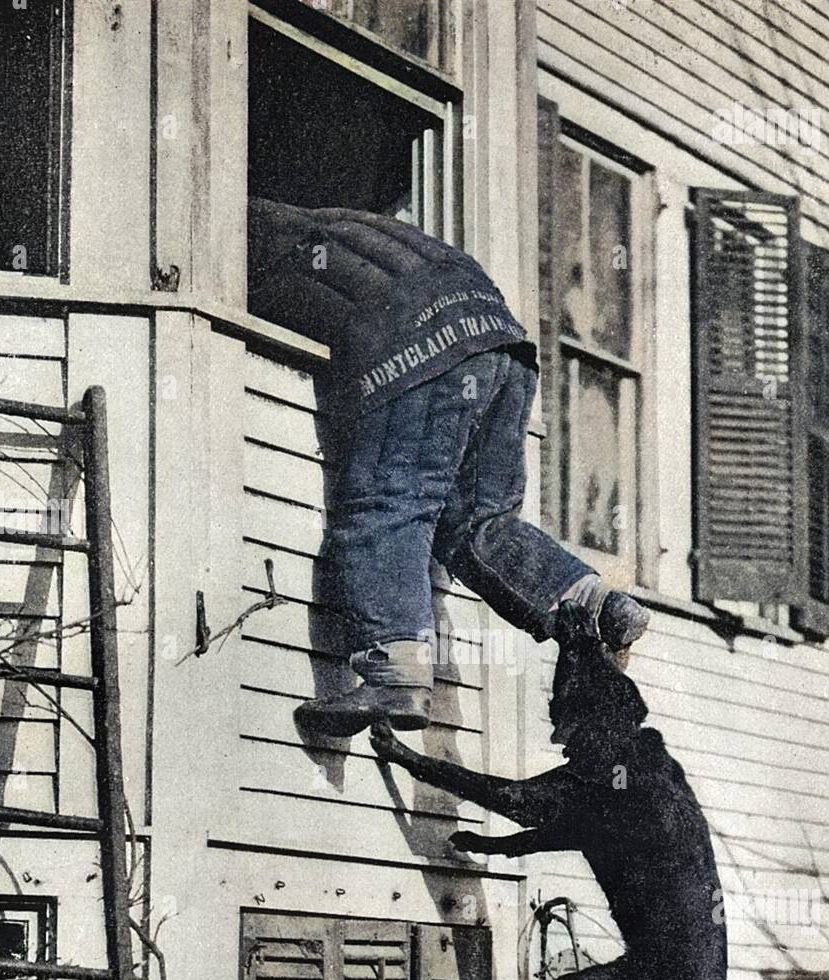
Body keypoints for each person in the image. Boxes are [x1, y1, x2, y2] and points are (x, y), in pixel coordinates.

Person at [248, 197, 650, 736]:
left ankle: (395, 671)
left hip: (423, 338)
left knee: (389, 501)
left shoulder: (253, 232)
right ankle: (593, 605)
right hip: (503, 341)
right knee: (479, 521)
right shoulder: (347, 225)